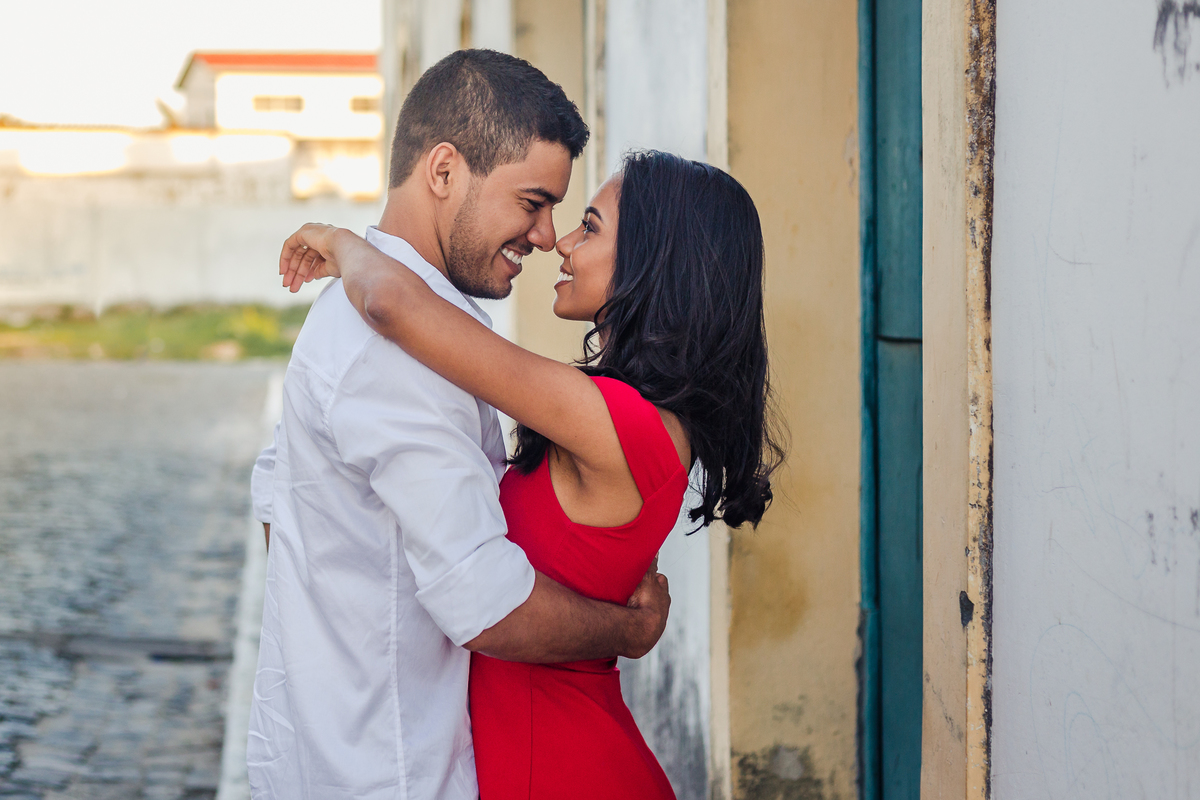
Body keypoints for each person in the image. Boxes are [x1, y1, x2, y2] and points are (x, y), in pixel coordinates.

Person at [277, 149, 784, 799]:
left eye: (590, 228)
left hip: (563, 769)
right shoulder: (631, 419)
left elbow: (391, 303)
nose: (562, 243)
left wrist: (340, 242)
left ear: (655, 260)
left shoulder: (623, 423)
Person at [247, 50, 672, 800]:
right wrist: (626, 631)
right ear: (443, 171)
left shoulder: (356, 315)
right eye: (532, 202)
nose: (546, 235)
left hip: (334, 757)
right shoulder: (396, 349)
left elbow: (276, 513)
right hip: (395, 772)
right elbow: (483, 601)